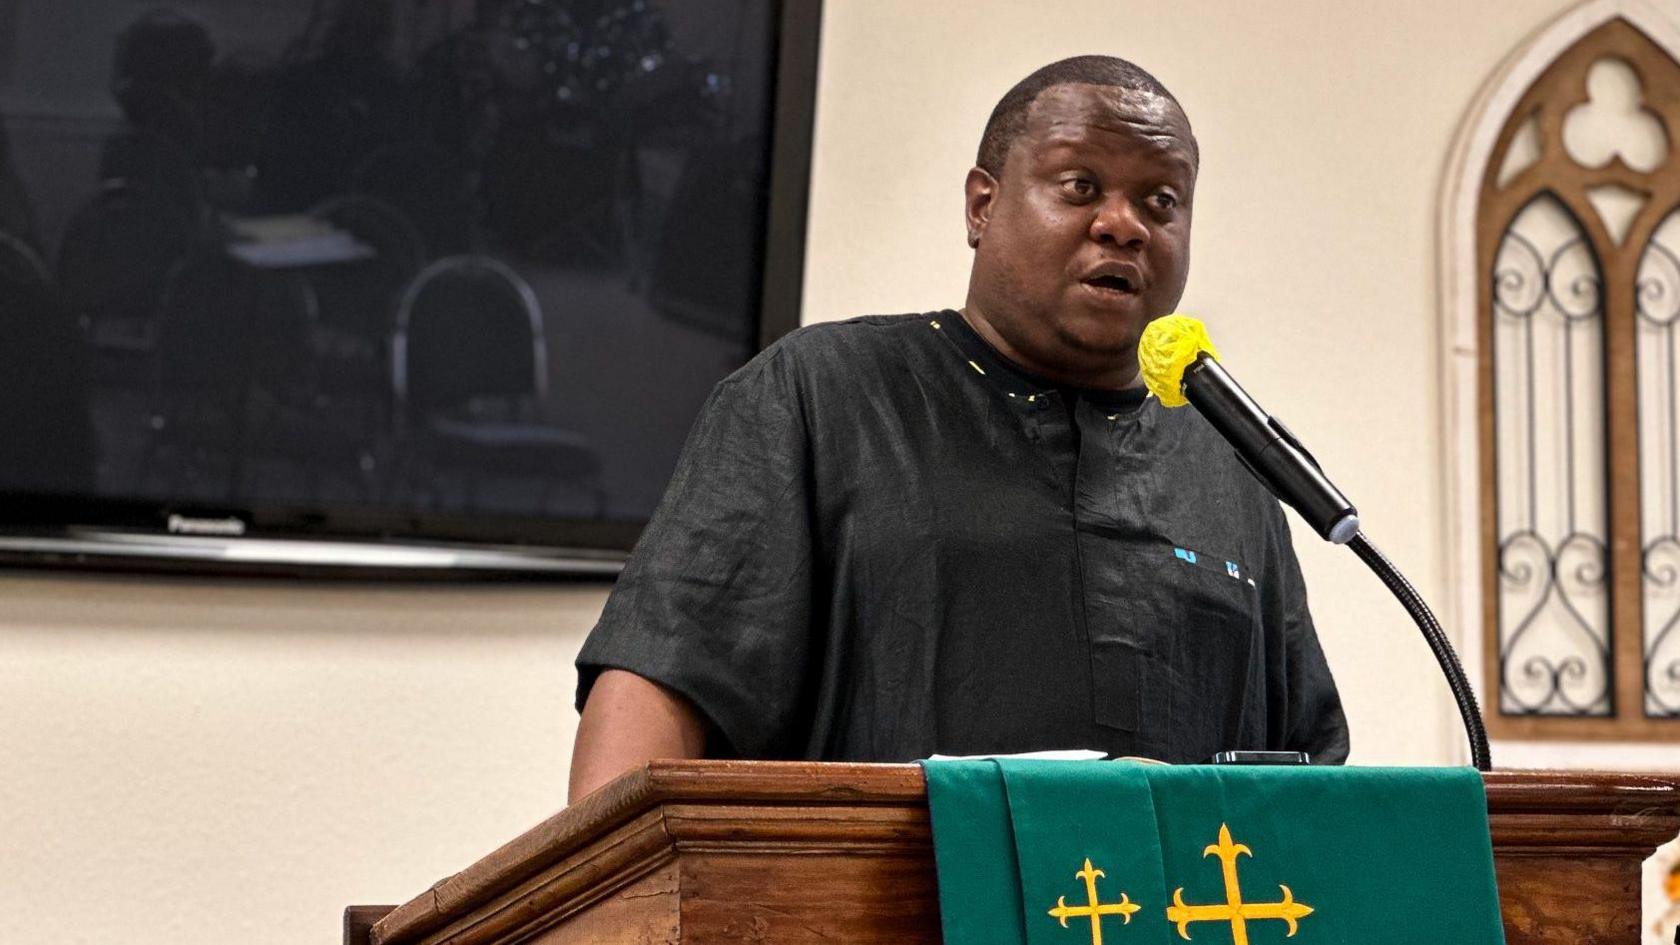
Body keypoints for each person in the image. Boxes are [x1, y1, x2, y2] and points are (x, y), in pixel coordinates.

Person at [568, 55, 1348, 801]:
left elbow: (1308, 786)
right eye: (1081, 185)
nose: (1124, 225)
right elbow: (657, 684)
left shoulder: (1235, 471)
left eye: (1161, 202)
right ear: (982, 205)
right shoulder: (820, 393)